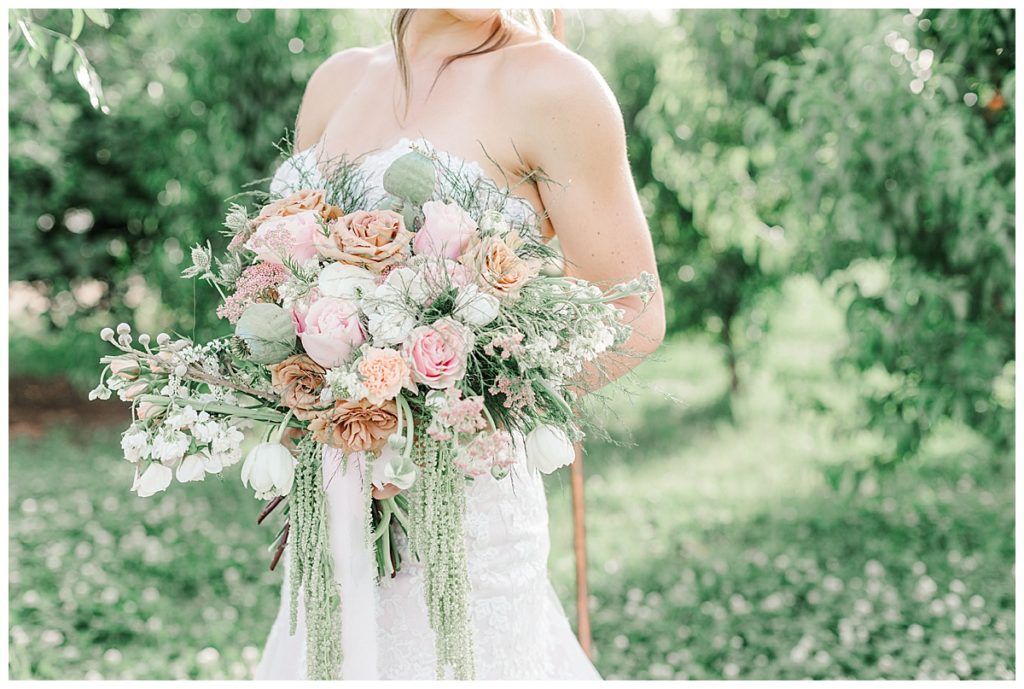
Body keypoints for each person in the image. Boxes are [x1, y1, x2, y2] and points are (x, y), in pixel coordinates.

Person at [254, 8, 665, 680]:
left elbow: (636, 314)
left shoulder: (555, 85)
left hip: (469, 524)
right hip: (332, 509)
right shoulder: (336, 82)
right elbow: (281, 283)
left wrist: (443, 423)